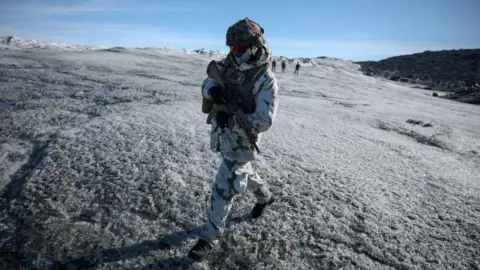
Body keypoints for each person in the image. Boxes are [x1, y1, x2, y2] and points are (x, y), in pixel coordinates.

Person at [188, 18, 279, 261]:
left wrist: (235, 116)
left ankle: (209, 237)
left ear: (253, 46)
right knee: (244, 172)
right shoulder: (228, 65)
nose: (234, 53)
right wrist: (213, 90)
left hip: (241, 140)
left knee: (223, 187)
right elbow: (208, 81)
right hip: (224, 135)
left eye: (238, 49)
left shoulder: (265, 79)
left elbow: (265, 120)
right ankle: (265, 196)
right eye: (231, 49)